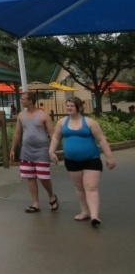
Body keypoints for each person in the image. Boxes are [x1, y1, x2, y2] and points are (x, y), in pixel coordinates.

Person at [49, 97, 116, 226]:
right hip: (71, 160)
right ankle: (85, 212)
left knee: (91, 187)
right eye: (67, 105)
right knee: (80, 188)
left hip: (91, 159)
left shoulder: (90, 122)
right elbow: (56, 138)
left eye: (72, 106)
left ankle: (94, 216)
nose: (69, 108)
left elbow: (101, 139)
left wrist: (109, 156)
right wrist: (51, 152)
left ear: (79, 108)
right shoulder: (62, 122)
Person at [9, 91, 57, 213]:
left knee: (43, 177)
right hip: (26, 150)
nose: (21, 101)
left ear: (30, 101)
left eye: (23, 99)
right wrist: (13, 149)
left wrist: (52, 151)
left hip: (42, 150)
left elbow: (53, 134)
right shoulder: (21, 115)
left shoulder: (44, 116)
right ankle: (36, 203)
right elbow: (18, 133)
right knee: (30, 177)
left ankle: (51, 195)